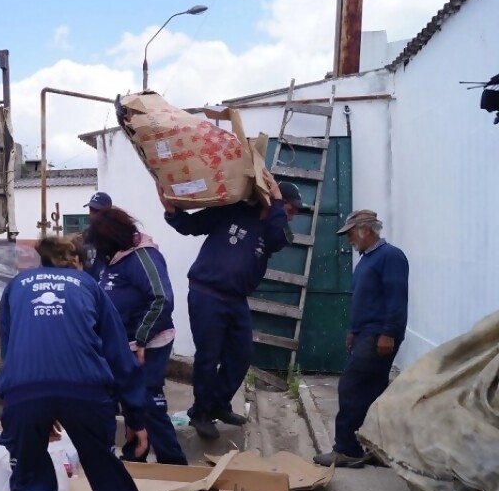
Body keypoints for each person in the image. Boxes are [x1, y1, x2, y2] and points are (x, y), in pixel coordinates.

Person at [0, 236, 149, 491]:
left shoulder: (16, 287)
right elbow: (119, 355)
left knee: (29, 483)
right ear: (75, 262)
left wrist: (34, 402)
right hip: (86, 392)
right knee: (107, 474)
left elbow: (10, 352)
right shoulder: (89, 286)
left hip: (24, 393)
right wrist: (136, 418)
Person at [159, 170, 301, 440]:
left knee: (241, 356)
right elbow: (191, 226)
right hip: (206, 294)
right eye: (290, 208)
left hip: (236, 301)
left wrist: (278, 202)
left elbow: (275, 235)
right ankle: (200, 413)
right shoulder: (232, 211)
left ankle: (219, 404)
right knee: (208, 356)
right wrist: (172, 213)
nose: (291, 215)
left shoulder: (276, 232)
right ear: (269, 200)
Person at [87, 207, 188, 465]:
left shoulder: (144, 257)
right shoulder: (113, 257)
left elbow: (161, 299)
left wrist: (142, 338)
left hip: (149, 344)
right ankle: (135, 456)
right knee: (129, 400)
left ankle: (173, 463)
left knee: (148, 403)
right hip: (124, 344)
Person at [314, 210, 408, 468]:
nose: (348, 239)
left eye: (351, 233)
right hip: (367, 334)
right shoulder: (367, 259)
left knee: (351, 388)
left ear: (366, 230)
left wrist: (388, 333)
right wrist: (353, 331)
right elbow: (363, 300)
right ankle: (375, 448)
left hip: (379, 334)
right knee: (373, 392)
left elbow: (396, 299)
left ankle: (347, 449)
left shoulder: (390, 256)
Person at [76, 191, 112, 280]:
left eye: (97, 211)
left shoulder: (115, 236)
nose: (93, 214)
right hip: (89, 283)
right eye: (91, 209)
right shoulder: (87, 234)